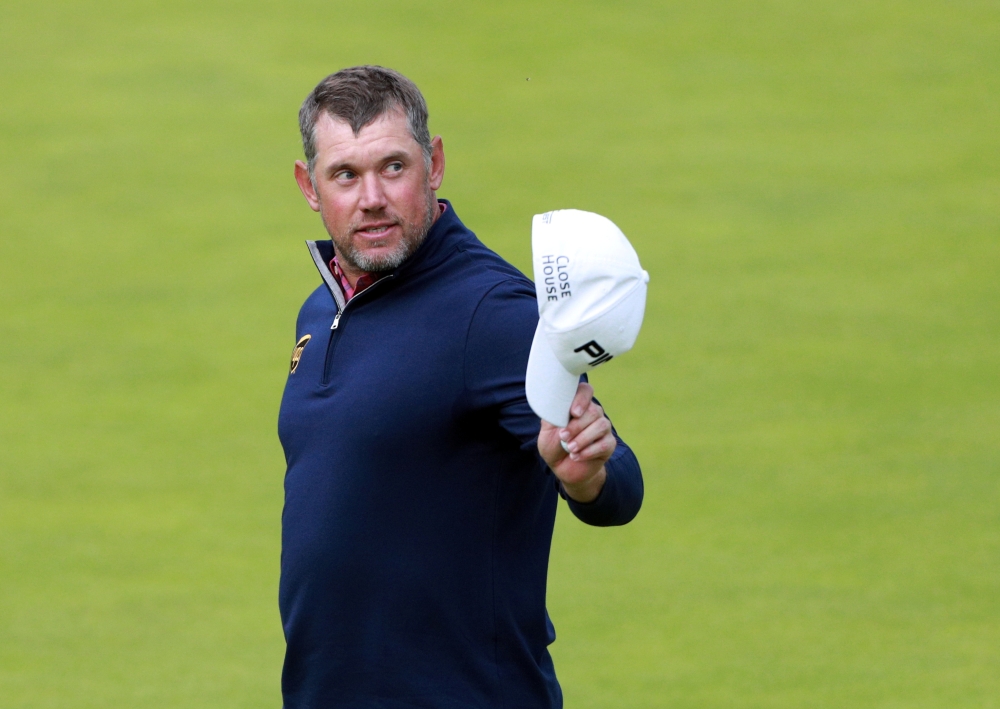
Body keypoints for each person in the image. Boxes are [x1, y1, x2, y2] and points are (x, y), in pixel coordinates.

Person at [278, 65, 643, 709]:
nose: (371, 198)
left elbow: (617, 482)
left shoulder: (491, 312)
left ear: (435, 163)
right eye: (346, 175)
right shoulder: (323, 307)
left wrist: (584, 473)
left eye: (393, 167)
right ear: (310, 186)